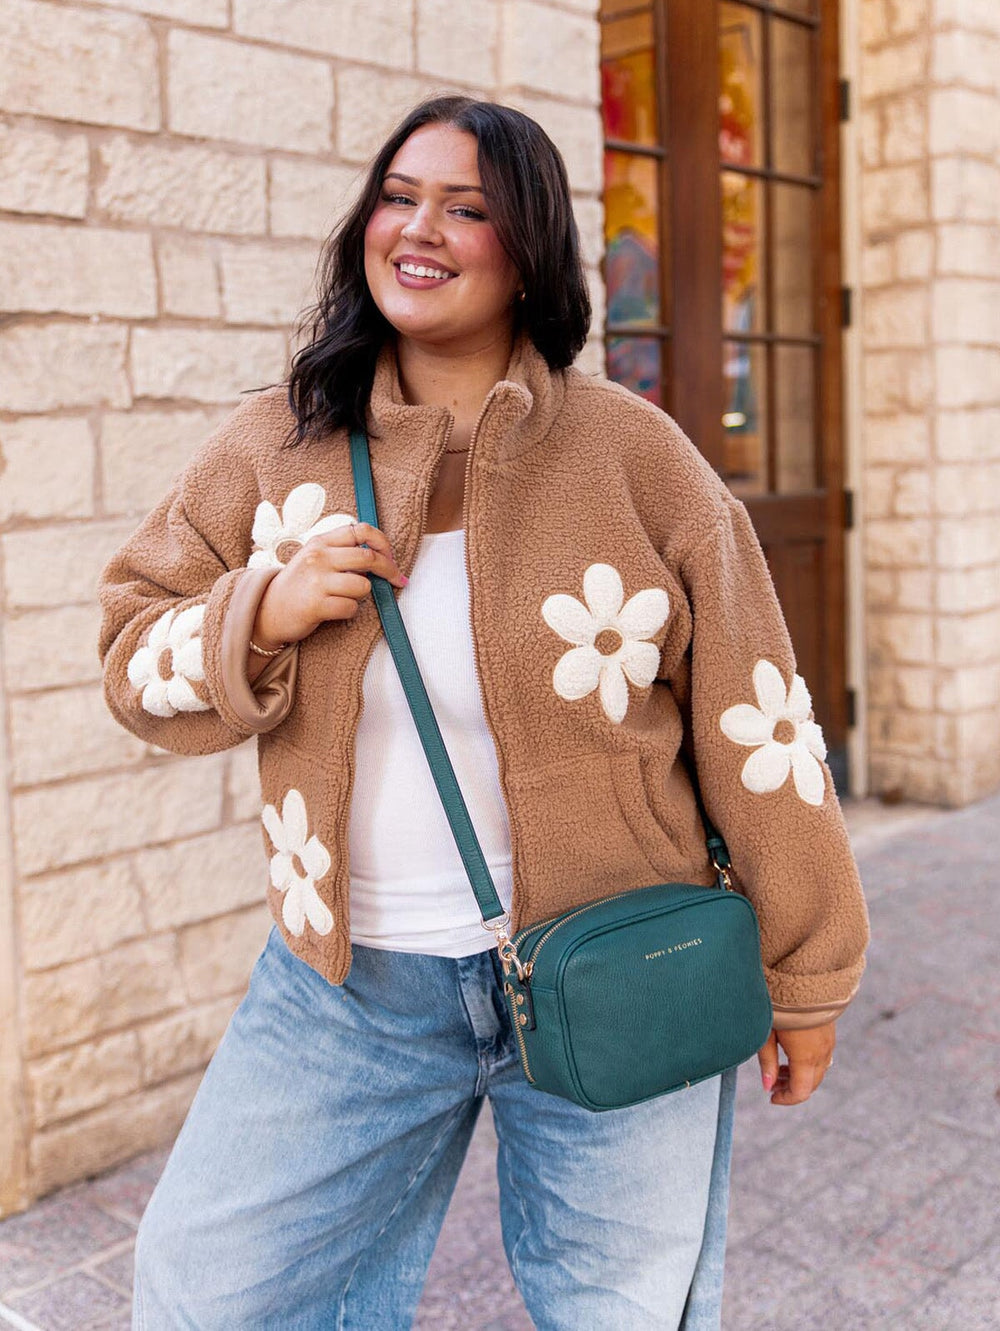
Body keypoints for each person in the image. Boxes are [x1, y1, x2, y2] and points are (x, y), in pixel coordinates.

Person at [99, 95, 869, 1331]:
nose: (421, 228)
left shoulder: (636, 456)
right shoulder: (274, 447)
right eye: (399, 196)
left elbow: (760, 725)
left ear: (529, 248)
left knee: (621, 1309)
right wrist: (261, 611)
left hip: (614, 965)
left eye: (468, 208)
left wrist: (809, 974)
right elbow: (132, 655)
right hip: (348, 989)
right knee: (206, 1288)